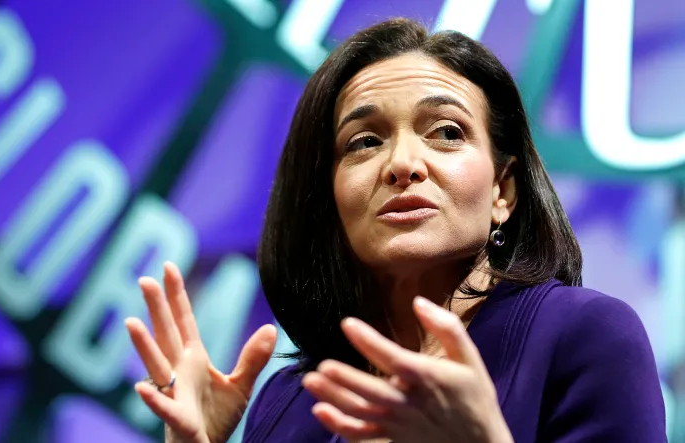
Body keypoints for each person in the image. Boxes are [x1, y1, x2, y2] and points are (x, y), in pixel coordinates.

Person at [124, 17, 667, 443]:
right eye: (364, 142)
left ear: (502, 192)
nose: (403, 163)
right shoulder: (292, 400)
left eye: (446, 132)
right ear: (331, 202)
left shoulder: (586, 335)